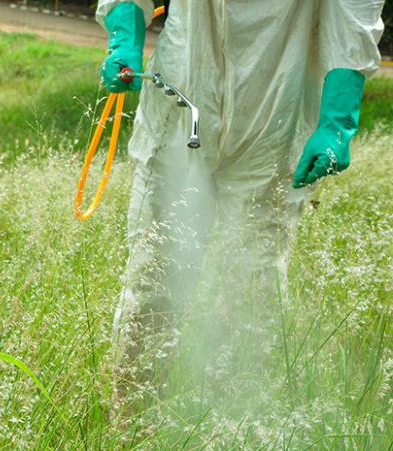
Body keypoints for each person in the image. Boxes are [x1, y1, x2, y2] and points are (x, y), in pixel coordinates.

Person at [96, 0, 385, 410]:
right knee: (154, 276)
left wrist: (337, 118)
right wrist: (124, 36)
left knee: (253, 287)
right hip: (183, 90)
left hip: (273, 109)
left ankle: (236, 422)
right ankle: (129, 420)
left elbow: (353, 10)